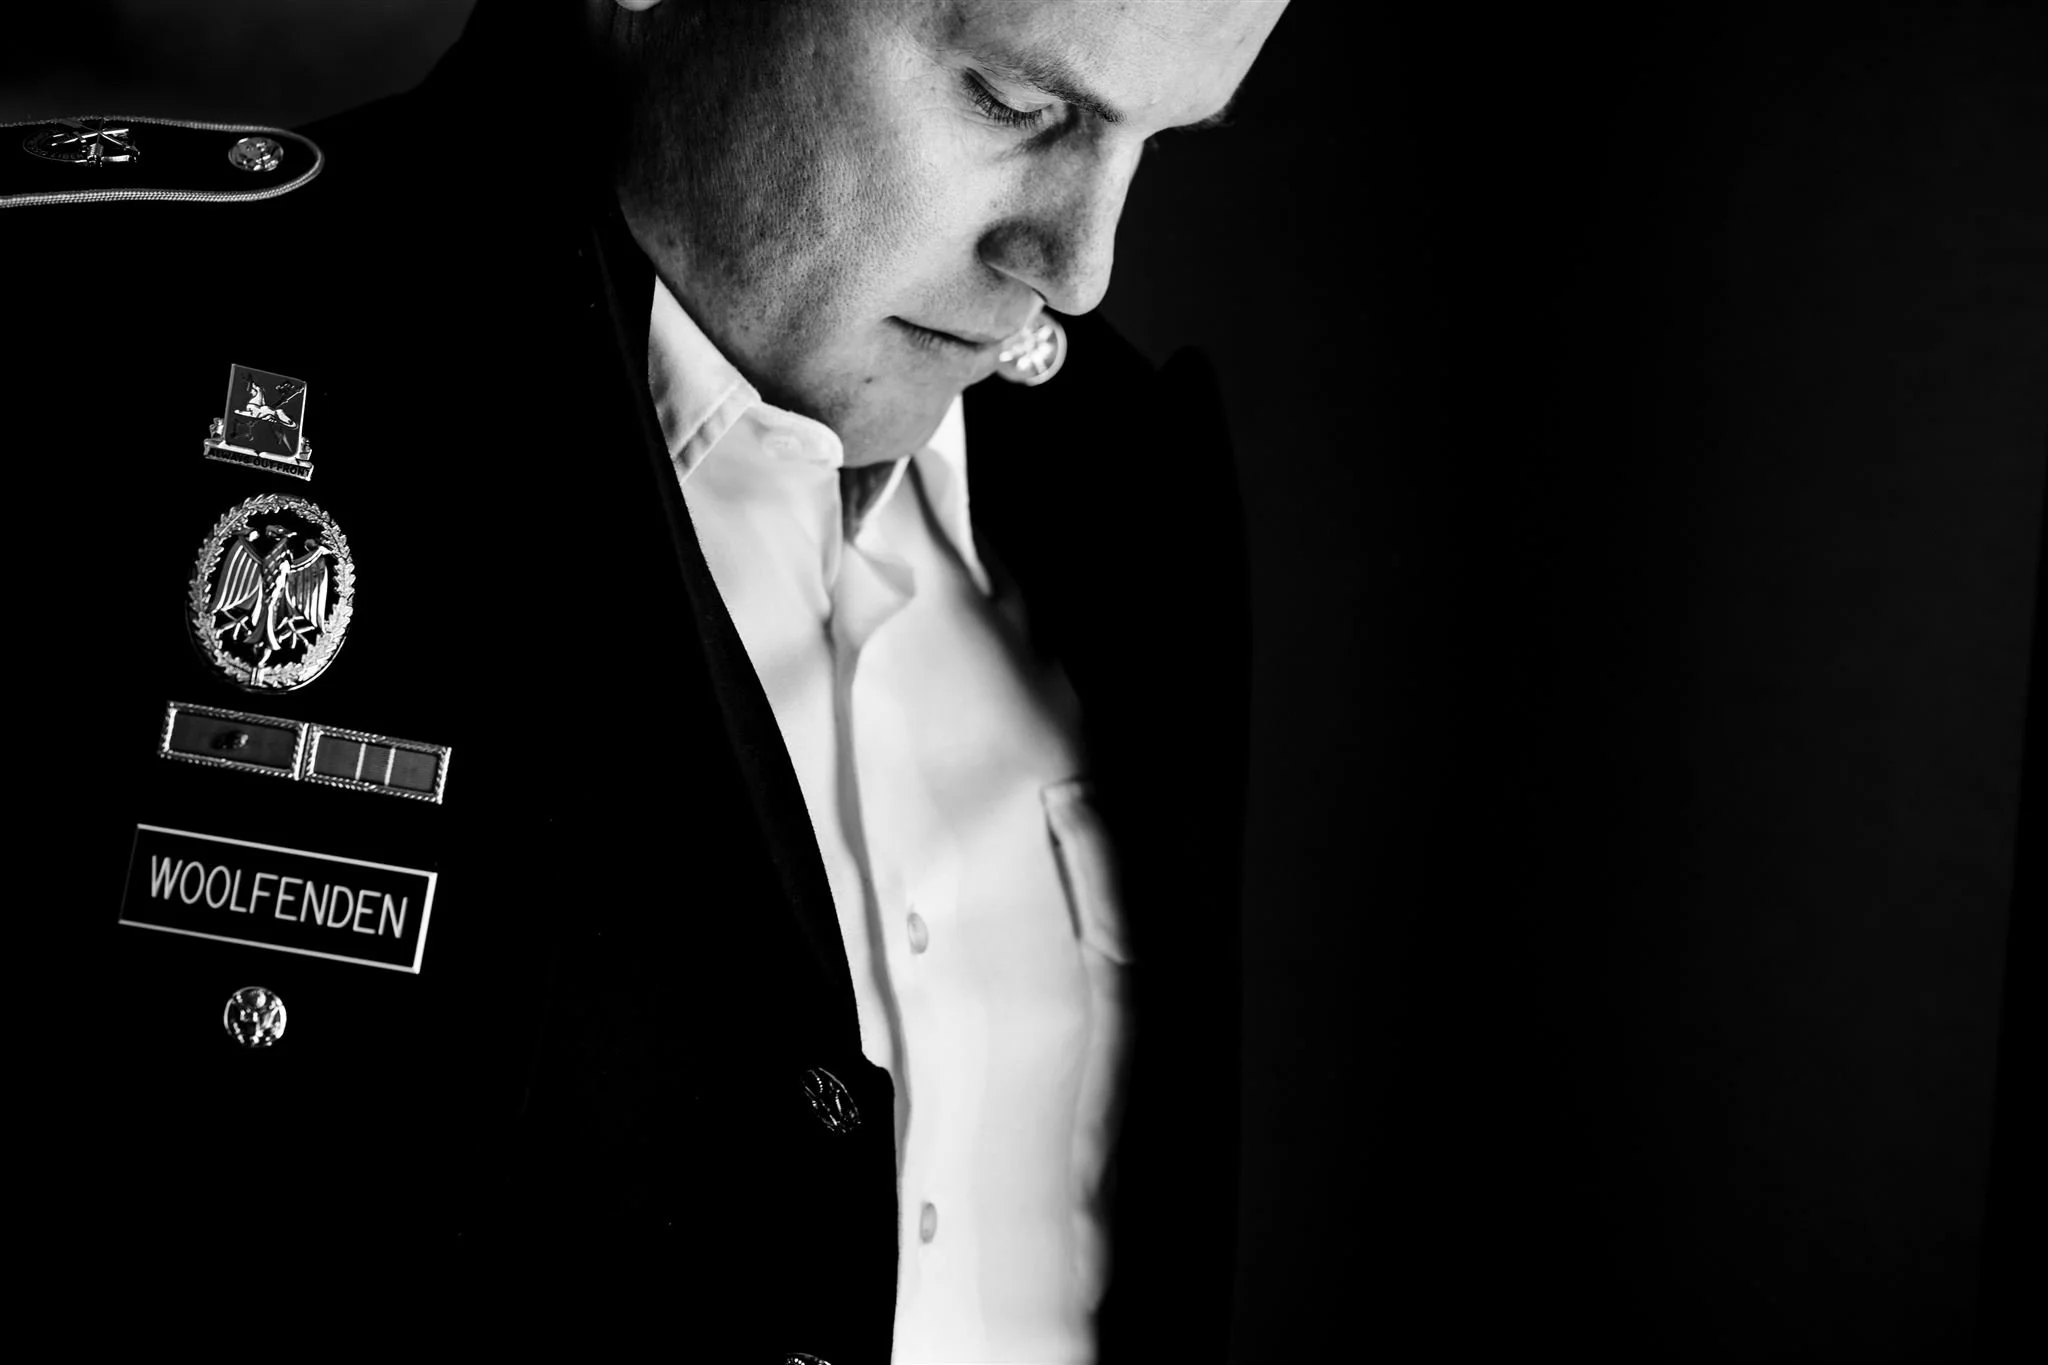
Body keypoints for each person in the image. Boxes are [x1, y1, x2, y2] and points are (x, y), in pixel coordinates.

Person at [5, 1, 1286, 1360]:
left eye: (1160, 139)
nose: (1081, 268)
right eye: (1015, 105)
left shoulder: (1133, 494)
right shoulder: (94, 346)